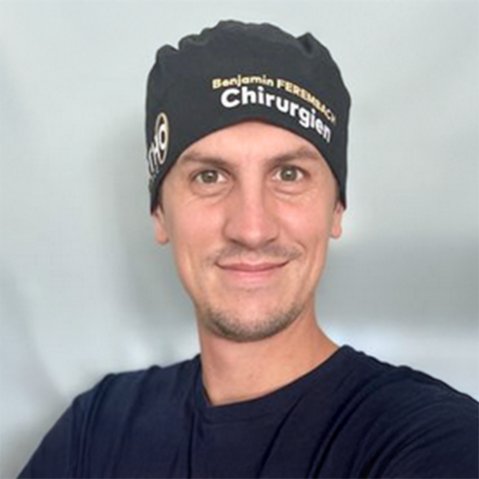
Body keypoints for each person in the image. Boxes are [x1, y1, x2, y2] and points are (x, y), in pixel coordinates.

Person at [19, 20, 478, 478]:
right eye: (209, 177)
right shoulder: (97, 430)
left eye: (289, 175)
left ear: (336, 208)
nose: (252, 229)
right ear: (159, 213)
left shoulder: (430, 442)